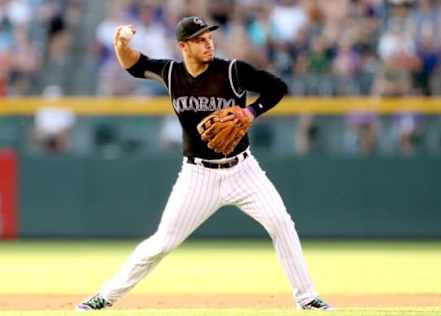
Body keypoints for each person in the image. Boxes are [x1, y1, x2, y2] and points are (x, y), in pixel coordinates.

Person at [76, 16, 333, 312]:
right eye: (199, 39)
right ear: (184, 46)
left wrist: (252, 111)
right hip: (197, 175)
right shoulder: (171, 73)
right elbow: (134, 65)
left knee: (281, 223)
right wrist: (120, 43)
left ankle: (307, 298)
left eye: (209, 37)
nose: (208, 42)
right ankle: (105, 296)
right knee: (162, 243)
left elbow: (277, 87)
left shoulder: (233, 71)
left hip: (243, 170)